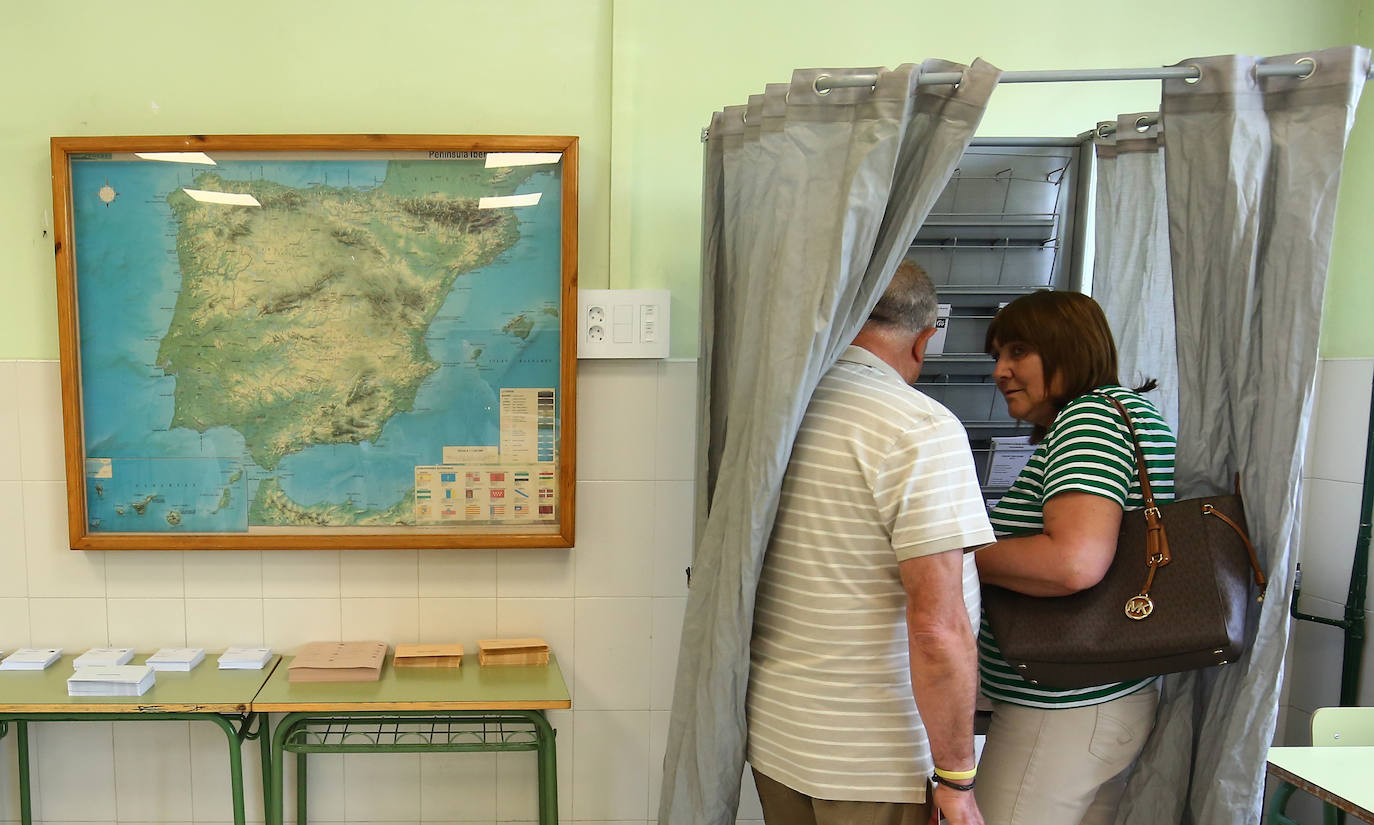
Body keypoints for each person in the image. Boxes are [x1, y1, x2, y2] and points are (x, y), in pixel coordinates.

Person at [746, 260, 995, 825]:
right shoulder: (918, 428)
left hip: (778, 742)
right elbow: (937, 627)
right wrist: (957, 780)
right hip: (877, 764)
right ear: (925, 339)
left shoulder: (781, 414)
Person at [972, 290, 1177, 825]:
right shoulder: (1127, 412)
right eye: (996, 356)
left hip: (1062, 710)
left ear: (1069, 348)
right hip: (1104, 697)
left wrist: (957, 557)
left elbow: (1073, 563)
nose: (1001, 371)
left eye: (1018, 351)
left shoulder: (1088, 420)